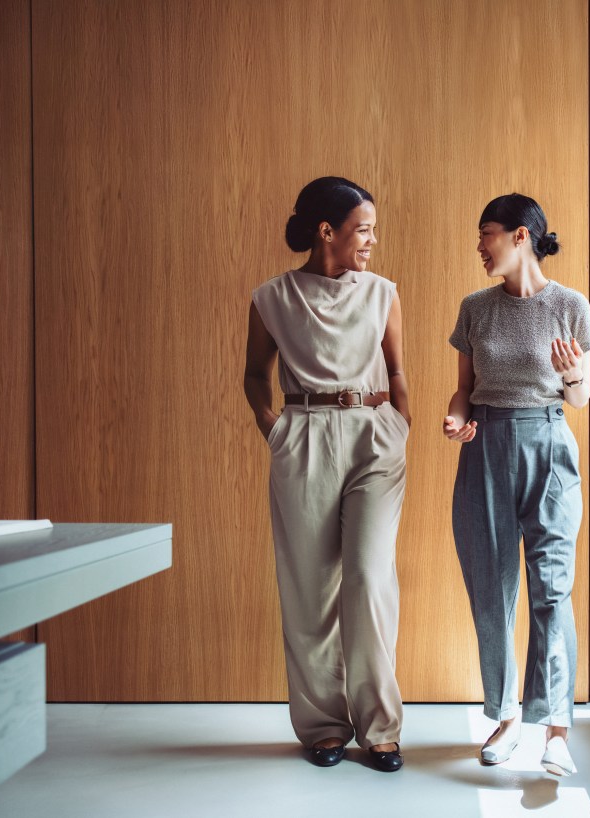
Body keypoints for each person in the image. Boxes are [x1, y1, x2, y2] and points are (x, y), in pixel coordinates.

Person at [244, 176, 409, 772]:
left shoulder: (383, 291)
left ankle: (380, 726)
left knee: (368, 579)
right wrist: (275, 428)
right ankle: (322, 727)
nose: (371, 239)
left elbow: (397, 371)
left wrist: (401, 424)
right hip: (303, 436)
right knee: (310, 589)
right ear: (326, 231)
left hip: (373, 437)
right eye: (363, 228)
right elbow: (254, 376)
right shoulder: (272, 297)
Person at [444, 193, 590, 777]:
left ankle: (556, 729)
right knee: (491, 589)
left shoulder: (570, 306)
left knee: (551, 588)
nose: (479, 245)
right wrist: (457, 416)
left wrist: (573, 376)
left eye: (487, 233)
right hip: (485, 449)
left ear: (520, 237)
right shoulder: (475, 309)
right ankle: (506, 715)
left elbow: (580, 400)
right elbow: (465, 388)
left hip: (549, 446)